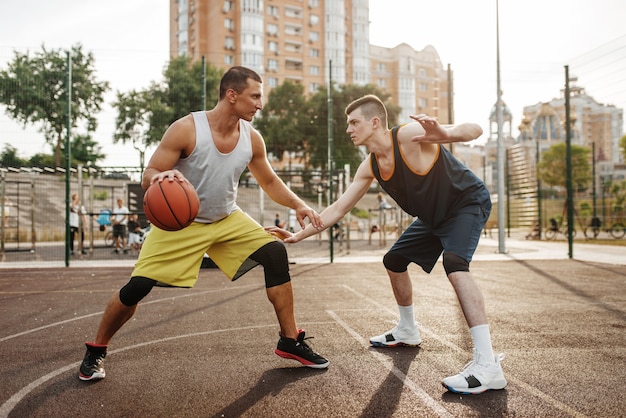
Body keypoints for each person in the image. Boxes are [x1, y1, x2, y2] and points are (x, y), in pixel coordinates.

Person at [78, 66, 329, 382]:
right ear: (231, 94)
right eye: (255, 96)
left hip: (226, 218)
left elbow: (268, 179)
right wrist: (161, 176)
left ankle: (290, 340)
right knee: (137, 287)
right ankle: (96, 349)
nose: (260, 104)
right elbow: (149, 173)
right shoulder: (186, 129)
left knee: (275, 253)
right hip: (181, 224)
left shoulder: (252, 138)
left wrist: (299, 204)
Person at [268, 94, 506, 395]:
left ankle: (488, 365)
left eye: (354, 122)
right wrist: (300, 234)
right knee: (394, 260)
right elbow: (338, 209)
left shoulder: (407, 136)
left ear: (375, 122)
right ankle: (407, 329)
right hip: (434, 217)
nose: (349, 129)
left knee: (455, 264)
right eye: (348, 124)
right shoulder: (369, 166)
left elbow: (474, 129)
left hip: (465, 203)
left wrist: (445, 134)